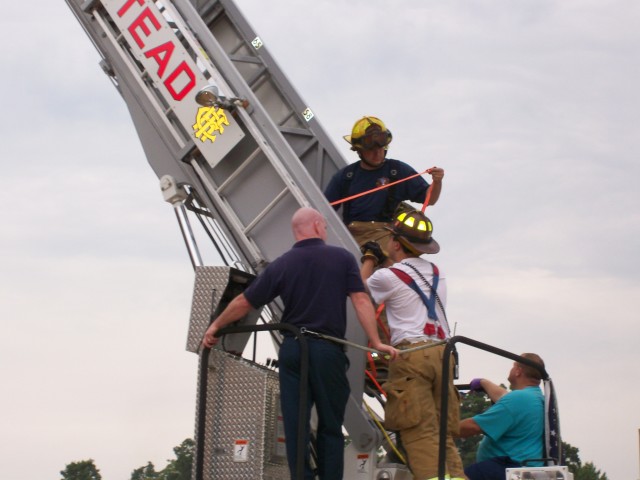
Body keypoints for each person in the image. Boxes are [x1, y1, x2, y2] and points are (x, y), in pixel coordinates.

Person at [202, 207, 397, 480]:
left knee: (296, 425)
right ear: (317, 225)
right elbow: (361, 300)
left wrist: (215, 325)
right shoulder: (341, 258)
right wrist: (376, 341)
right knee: (330, 424)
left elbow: (245, 301)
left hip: (293, 349)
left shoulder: (282, 264)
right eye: (326, 227)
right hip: (326, 349)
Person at [360, 210, 464, 480]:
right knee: (444, 435)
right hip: (443, 354)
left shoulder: (388, 276)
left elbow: (359, 293)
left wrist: (370, 259)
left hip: (413, 355)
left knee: (419, 431)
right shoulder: (437, 274)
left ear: (394, 243)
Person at [324, 116, 444, 249]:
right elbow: (323, 209)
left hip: (388, 238)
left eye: (380, 148)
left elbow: (430, 199)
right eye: (371, 150)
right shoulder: (346, 177)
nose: (377, 154)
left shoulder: (397, 171)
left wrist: (437, 182)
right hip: (354, 239)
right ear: (359, 151)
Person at [458, 353, 546, 479]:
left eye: (513, 366)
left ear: (518, 371)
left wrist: (438, 430)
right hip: (523, 469)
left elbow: (473, 427)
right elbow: (504, 398)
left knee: (456, 477)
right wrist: (483, 383)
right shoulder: (534, 397)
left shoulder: (519, 399)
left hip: (507, 469)